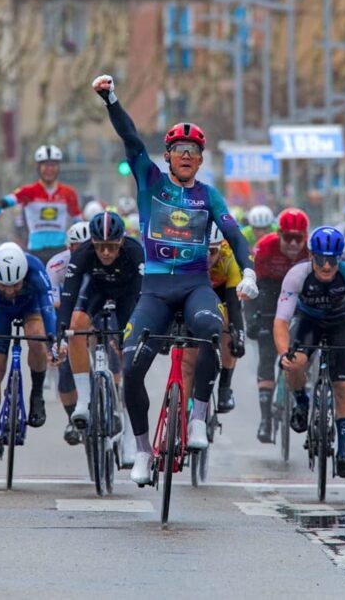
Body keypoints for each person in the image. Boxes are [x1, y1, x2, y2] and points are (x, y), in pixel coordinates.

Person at [91, 74, 257, 486]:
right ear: (167, 156)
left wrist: (248, 271)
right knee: (131, 368)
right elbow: (130, 138)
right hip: (155, 291)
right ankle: (144, 452)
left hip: (195, 285)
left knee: (209, 330)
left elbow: (234, 234)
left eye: (193, 151)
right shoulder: (151, 182)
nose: (186, 156)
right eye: (179, 150)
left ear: (200, 160)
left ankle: (198, 419)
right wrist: (112, 100)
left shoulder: (209, 196)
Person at [274, 226, 345, 478]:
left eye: (332, 260)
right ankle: (302, 401)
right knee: (294, 363)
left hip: (342, 324)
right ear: (311, 257)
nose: (327, 266)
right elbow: (282, 321)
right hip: (309, 323)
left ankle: (343, 454)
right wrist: (284, 352)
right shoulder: (297, 275)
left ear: (340, 258)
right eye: (321, 259)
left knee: (343, 389)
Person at [58, 211, 144, 435]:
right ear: (92, 243)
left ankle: (128, 424)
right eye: (100, 246)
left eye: (112, 246)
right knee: (75, 328)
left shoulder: (135, 251)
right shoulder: (83, 253)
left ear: (122, 242)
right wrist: (61, 330)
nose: (106, 252)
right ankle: (83, 401)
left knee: (131, 344)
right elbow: (69, 294)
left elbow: (147, 293)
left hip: (128, 295)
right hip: (97, 292)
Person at [0, 242, 57, 460]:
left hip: (30, 307)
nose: (9, 291)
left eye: (15, 285)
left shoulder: (35, 269)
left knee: (37, 338)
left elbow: (48, 309)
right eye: (3, 285)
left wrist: (52, 343)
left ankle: (37, 395)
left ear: (24, 275)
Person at [247, 207, 310, 442]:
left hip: (302, 296)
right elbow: (251, 287)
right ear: (279, 234)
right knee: (266, 354)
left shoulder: (312, 250)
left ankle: (305, 384)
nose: (293, 243)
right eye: (288, 238)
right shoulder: (265, 247)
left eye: (298, 238)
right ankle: (265, 420)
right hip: (270, 293)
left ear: (305, 237)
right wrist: (252, 317)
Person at [183, 224, 246, 413]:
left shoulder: (229, 259)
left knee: (229, 330)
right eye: (203, 251)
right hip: (193, 291)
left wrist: (238, 335)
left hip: (222, 294)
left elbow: (234, 305)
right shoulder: (187, 258)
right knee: (188, 357)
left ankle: (224, 387)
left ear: (221, 248)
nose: (207, 257)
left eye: (212, 251)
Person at [0, 146, 82, 265]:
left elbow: (78, 220)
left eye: (53, 165)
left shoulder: (68, 193)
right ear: (38, 167)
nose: (49, 169)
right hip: (35, 252)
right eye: (45, 165)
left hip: (60, 251)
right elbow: (8, 200)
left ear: (58, 168)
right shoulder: (29, 191)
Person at [45, 221, 91, 445]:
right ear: (68, 247)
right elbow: (53, 307)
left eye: (86, 246)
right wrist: (57, 341)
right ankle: (73, 419)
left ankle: (112, 394)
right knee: (65, 368)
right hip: (67, 312)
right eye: (76, 247)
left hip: (96, 310)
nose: (81, 251)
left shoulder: (102, 259)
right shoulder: (57, 265)